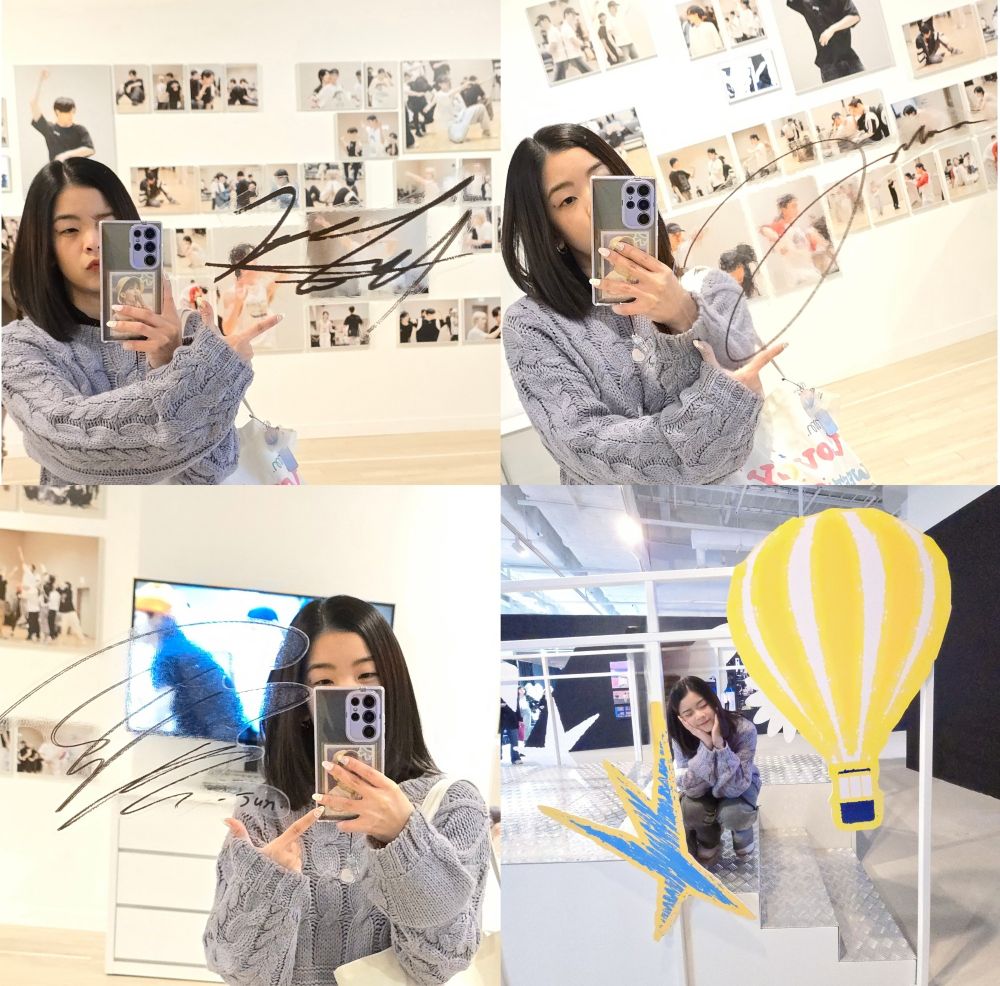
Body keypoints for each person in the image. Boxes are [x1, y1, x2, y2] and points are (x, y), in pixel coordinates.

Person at [204, 597, 490, 984]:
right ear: (299, 702)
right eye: (323, 682)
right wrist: (266, 884)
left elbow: (440, 964)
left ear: (393, 686)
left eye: (367, 675)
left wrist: (405, 838)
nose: (347, 693)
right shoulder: (266, 808)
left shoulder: (453, 806)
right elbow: (234, 969)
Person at [502, 124, 783, 485]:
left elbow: (745, 423)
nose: (593, 205)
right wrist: (712, 422)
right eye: (567, 200)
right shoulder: (533, 326)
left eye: (603, 181)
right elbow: (587, 450)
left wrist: (681, 314)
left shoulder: (713, 289)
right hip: (619, 517)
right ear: (551, 229)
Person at [1, 158, 282, 485]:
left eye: (107, 223)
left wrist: (169, 357)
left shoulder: (186, 329)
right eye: (69, 230)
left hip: (178, 516)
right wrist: (208, 374)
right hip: (88, 517)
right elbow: (72, 446)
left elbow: (213, 470)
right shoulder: (19, 348)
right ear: (46, 247)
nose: (93, 241)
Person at [668, 676, 761, 864]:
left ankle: (742, 831)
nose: (700, 715)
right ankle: (709, 840)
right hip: (703, 790)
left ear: (713, 701)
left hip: (741, 786)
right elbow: (690, 789)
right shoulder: (680, 737)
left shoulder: (744, 729)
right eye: (688, 713)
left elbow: (736, 787)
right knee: (690, 810)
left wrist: (720, 746)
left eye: (703, 705)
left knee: (734, 813)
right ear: (681, 719)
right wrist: (707, 746)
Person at [787, 0, 864, 84]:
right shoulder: (806, 3)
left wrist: (831, 30)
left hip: (850, 58)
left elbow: (854, 17)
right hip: (828, 64)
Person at [29, 70, 94, 163]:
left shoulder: (79, 129)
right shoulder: (49, 129)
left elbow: (89, 149)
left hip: (76, 171)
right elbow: (33, 103)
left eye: (72, 112)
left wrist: (66, 155)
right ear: (58, 112)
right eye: (67, 113)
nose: (71, 115)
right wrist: (40, 79)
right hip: (56, 171)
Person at [539, 10, 593, 81]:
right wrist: (584, 45)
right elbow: (572, 40)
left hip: (566, 57)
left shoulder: (559, 29)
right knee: (588, 72)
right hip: (570, 56)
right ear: (567, 15)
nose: (575, 17)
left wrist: (583, 45)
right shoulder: (565, 27)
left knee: (558, 80)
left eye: (540, 23)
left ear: (545, 20)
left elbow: (571, 40)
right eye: (573, 15)